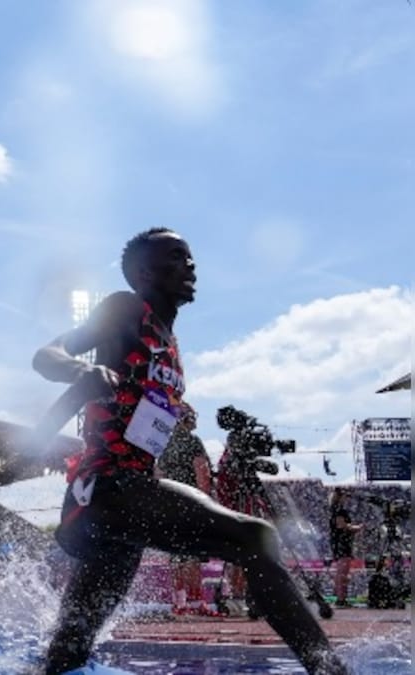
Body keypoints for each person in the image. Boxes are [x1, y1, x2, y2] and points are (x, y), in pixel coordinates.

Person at [31, 228, 346, 675]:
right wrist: (80, 367)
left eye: (191, 257)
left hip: (130, 503)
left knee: (68, 653)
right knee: (253, 537)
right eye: (177, 257)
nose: (190, 265)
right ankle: (328, 668)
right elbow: (47, 354)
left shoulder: (169, 342)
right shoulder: (126, 308)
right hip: (108, 491)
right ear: (144, 272)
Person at [155, 403, 214, 615]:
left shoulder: (163, 443)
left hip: (169, 505)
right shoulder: (193, 441)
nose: (195, 420)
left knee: (176, 554)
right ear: (185, 419)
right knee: (193, 554)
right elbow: (202, 473)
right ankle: (198, 603)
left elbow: (158, 474)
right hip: (191, 503)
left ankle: (179, 602)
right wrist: (207, 504)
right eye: (192, 416)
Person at [213, 426, 277, 617]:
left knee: (245, 556)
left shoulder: (239, 461)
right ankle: (239, 595)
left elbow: (272, 469)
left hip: (243, 512)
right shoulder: (228, 462)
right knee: (240, 557)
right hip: (236, 515)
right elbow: (227, 489)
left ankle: (247, 595)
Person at [328, 488, 362, 607]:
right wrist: (356, 528)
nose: (346, 498)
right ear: (340, 497)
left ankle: (341, 598)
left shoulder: (334, 509)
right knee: (342, 572)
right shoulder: (339, 510)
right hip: (343, 543)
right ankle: (341, 599)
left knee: (341, 572)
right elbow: (341, 525)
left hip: (338, 543)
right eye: (345, 496)